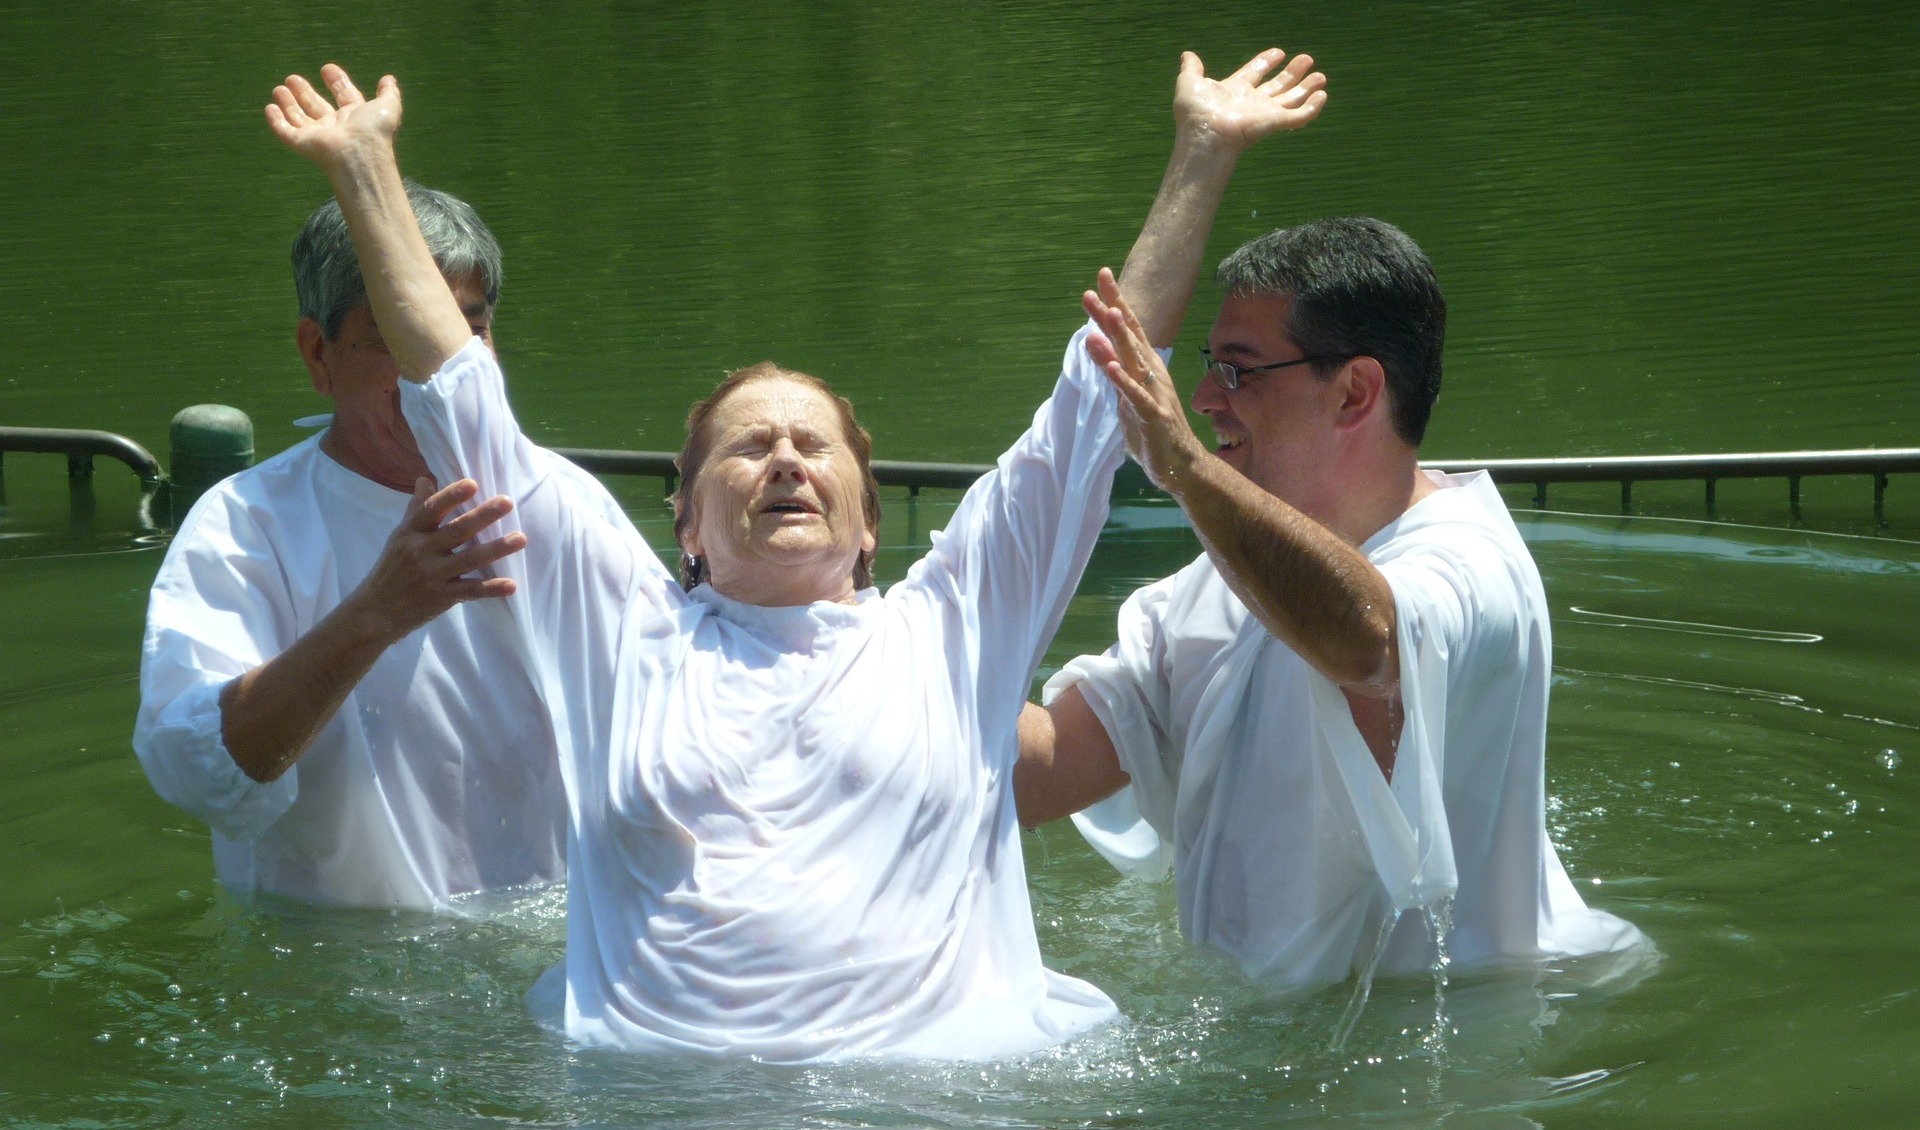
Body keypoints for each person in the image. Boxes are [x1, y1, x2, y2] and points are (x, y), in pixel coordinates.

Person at [263, 49, 1325, 1061]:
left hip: (935, 1095)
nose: (783, 460)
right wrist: (365, 171)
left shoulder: (951, 629)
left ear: (870, 527)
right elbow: (460, 397)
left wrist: (1203, 150)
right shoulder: (621, 636)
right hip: (653, 1092)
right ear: (684, 525)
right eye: (748, 447)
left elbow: (1100, 394)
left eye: (815, 448)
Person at [1014, 216, 1648, 982]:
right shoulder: (1213, 587)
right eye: (1212, 366)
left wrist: (1184, 469)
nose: (1205, 398)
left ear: (1355, 392)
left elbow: (1366, 643)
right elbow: (1036, 774)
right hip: (1260, 1030)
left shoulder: (1470, 565)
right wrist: (888, 635)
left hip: (1460, 1034)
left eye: (1239, 371)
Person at [133, 184, 624, 909]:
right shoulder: (245, 524)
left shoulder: (561, 498)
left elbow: (676, 717)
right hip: (330, 951)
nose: (436, 372)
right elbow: (197, 773)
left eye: (465, 334)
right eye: (399, 337)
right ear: (318, 353)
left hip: (556, 944)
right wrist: (375, 615)